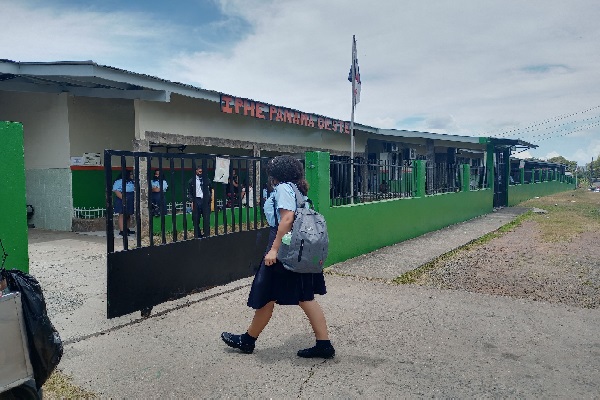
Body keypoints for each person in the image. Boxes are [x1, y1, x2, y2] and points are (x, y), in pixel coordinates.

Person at [221, 155, 335, 358]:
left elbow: (287, 218)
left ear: (277, 174)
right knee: (301, 296)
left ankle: (248, 341)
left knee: (270, 294)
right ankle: (323, 344)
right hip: (296, 248)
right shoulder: (298, 189)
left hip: (284, 247)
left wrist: (274, 249)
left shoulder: (283, 188)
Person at [187, 166, 212, 238]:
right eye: (200, 171)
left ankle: (206, 235)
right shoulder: (191, 181)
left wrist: (209, 198)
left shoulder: (207, 180)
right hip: (196, 200)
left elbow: (210, 189)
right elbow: (189, 192)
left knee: (206, 219)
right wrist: (192, 201)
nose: (201, 173)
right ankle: (198, 235)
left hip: (205, 200)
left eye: (202, 172)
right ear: (196, 171)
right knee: (196, 219)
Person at [112, 170, 135, 237]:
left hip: (131, 198)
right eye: (130, 174)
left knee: (128, 214)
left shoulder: (132, 181)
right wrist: (124, 198)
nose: (132, 175)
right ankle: (122, 231)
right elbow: (116, 190)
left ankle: (127, 229)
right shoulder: (119, 181)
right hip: (122, 198)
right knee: (122, 214)